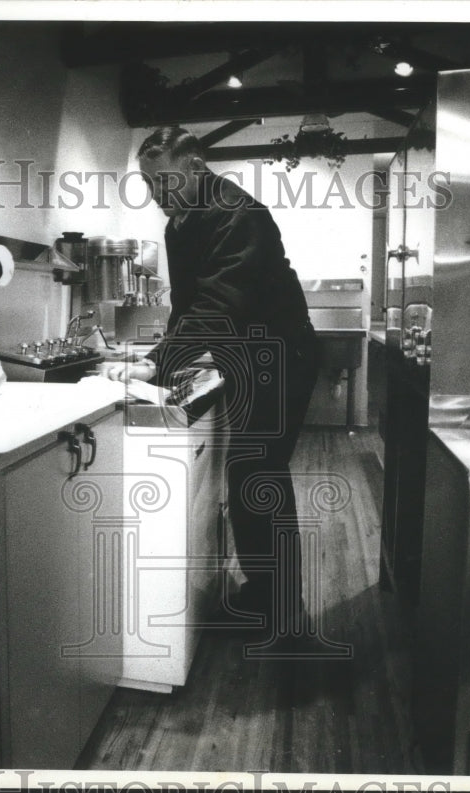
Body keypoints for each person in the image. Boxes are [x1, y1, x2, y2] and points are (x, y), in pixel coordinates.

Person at [105, 126, 319, 642]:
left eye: (163, 183)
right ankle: (267, 594)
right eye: (149, 186)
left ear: (196, 168)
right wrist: (165, 356)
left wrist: (158, 364)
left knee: (256, 479)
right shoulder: (182, 224)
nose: (156, 197)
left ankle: (286, 616)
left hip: (280, 358)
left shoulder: (237, 214)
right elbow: (187, 309)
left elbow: (221, 304)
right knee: (248, 479)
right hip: (242, 359)